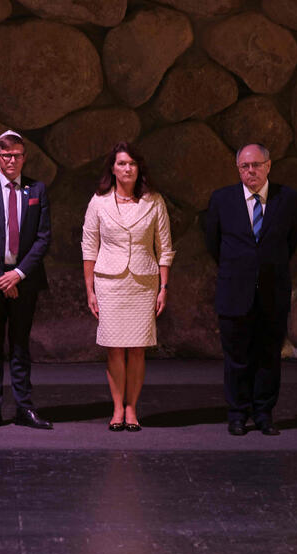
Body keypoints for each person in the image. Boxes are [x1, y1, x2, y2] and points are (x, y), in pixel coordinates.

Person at [204, 143, 297, 436]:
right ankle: (237, 414)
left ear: (268, 166)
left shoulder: (289, 199)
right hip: (235, 292)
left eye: (256, 165)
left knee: (269, 355)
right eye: (245, 167)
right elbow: (214, 243)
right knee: (236, 357)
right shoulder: (222, 200)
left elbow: (291, 242)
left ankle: (264, 414)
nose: (251, 171)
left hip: (273, 292)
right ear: (238, 170)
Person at [81, 143, 174, 432]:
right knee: (113, 349)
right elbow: (89, 247)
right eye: (121, 163)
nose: (127, 168)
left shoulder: (154, 201)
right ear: (113, 168)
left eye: (132, 163)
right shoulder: (99, 202)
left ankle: (132, 408)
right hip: (109, 283)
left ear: (139, 167)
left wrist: (163, 287)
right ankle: (117, 407)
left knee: (137, 349)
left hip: (144, 283)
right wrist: (90, 290)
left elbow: (165, 247)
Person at [0, 130, 52, 431]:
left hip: (25, 280)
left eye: (17, 155)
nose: (12, 160)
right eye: (6, 156)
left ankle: (23, 408)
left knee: (20, 346)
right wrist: (1, 278)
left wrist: (17, 274)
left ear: (24, 157)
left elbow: (43, 239)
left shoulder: (37, 190)